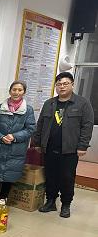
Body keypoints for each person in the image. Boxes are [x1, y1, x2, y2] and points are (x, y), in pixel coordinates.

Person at [33, 72, 94, 218]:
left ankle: (66, 204)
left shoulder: (82, 103)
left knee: (67, 177)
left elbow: (87, 125)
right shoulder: (49, 103)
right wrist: (37, 142)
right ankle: (51, 201)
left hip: (70, 149)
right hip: (49, 147)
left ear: (72, 84)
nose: (62, 87)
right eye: (59, 84)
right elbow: (40, 124)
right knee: (51, 175)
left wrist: (83, 145)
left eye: (65, 83)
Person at [0, 81, 36, 200]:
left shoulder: (28, 110)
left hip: (16, 150)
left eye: (20, 90)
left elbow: (30, 128)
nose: (16, 92)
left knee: (9, 177)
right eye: (14, 89)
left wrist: (14, 137)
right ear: (10, 91)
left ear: (24, 92)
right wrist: (0, 137)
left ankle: (3, 201)